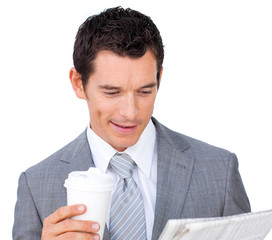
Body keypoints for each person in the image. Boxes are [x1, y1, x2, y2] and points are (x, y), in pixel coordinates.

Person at [13, 6, 250, 240]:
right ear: (78, 83)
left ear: (159, 79)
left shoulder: (219, 171)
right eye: (112, 92)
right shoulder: (36, 186)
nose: (130, 112)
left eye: (144, 91)